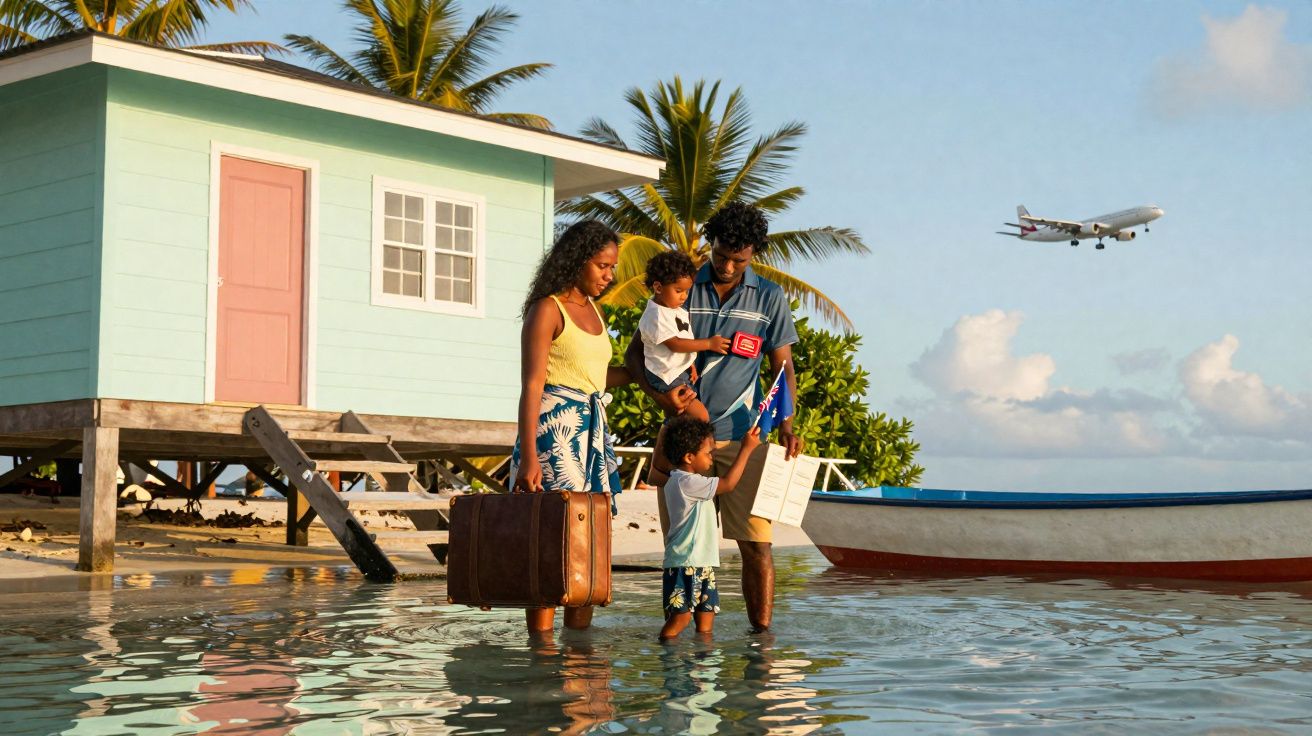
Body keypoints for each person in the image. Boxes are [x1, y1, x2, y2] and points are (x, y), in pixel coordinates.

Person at [626, 202, 802, 633]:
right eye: (720, 254)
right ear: (712, 244)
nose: (725, 265)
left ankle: (761, 645)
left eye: (737, 259)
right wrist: (661, 400)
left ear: (754, 254)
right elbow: (636, 355)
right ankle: (677, 648)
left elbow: (783, 366)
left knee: (757, 545)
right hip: (681, 442)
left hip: (745, 438)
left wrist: (787, 423)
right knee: (680, 550)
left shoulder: (769, 297)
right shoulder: (679, 288)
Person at [511, 219, 630, 635]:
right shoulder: (548, 308)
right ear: (577, 260)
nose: (608, 275)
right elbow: (532, 385)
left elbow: (594, 375)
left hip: (592, 432)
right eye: (602, 265)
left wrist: (638, 371)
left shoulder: (595, 310)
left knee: (592, 541)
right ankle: (541, 654)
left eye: (612, 267)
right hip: (555, 433)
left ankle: (578, 645)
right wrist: (529, 458)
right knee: (553, 540)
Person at [658, 417, 761, 641]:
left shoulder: (687, 481)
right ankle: (667, 657)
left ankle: (705, 671)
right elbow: (728, 484)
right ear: (688, 457)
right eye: (708, 453)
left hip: (701, 563)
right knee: (681, 619)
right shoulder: (686, 482)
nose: (711, 457)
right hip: (686, 564)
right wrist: (746, 449)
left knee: (706, 620)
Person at [637, 251, 730, 423]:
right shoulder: (655, 315)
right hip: (665, 375)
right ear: (658, 288)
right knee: (701, 416)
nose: (684, 297)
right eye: (678, 290)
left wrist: (690, 363)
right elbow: (675, 344)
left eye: (687, 291)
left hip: (677, 372)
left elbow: (682, 341)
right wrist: (709, 343)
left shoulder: (676, 311)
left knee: (682, 420)